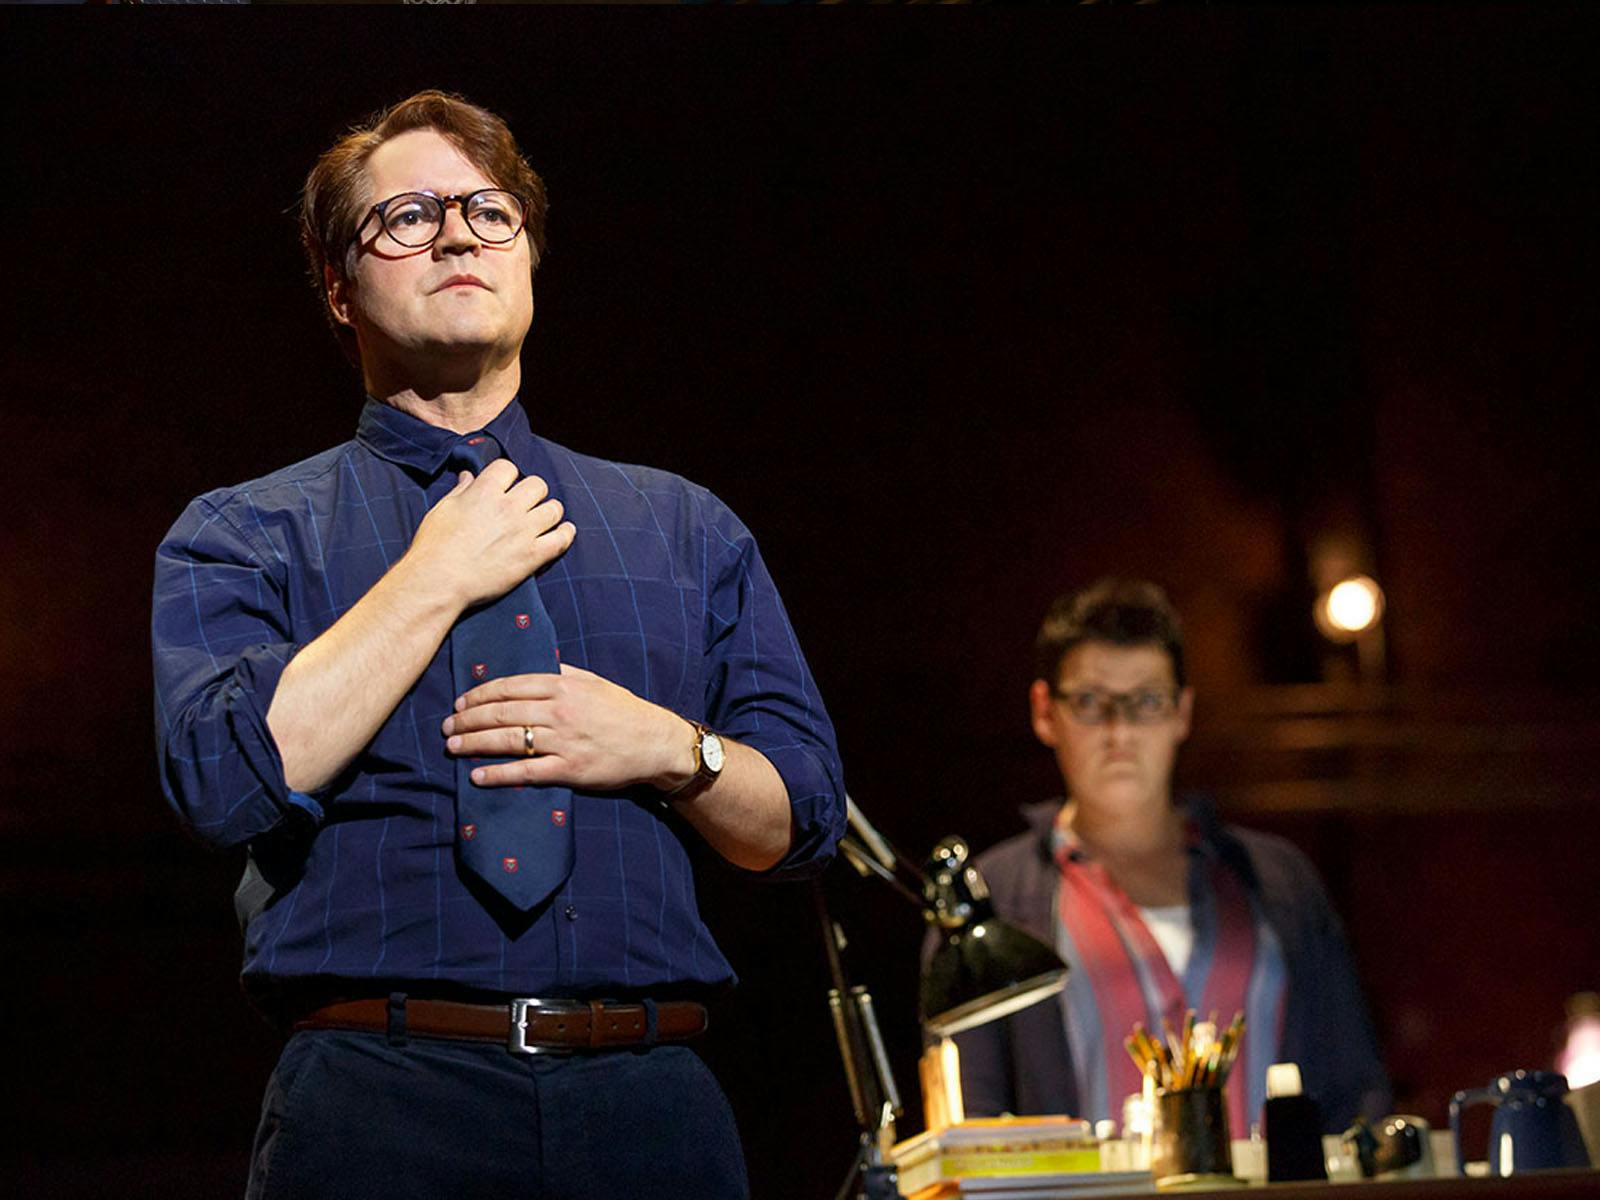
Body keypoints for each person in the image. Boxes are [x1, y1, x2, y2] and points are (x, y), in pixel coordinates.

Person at [152, 90, 845, 1200]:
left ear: (527, 255)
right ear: (338, 286)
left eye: (488, 212)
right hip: (379, 1103)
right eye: (408, 217)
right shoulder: (246, 531)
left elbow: (802, 821)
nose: (459, 237)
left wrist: (671, 748)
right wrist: (432, 577)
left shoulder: (683, 526)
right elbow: (222, 781)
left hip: (649, 1103)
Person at [948, 579, 1388, 1135]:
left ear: (1182, 711)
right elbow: (970, 1127)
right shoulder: (992, 900)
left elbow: (1355, 1092)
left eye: (1147, 702)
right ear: (1045, 711)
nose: (1120, 732)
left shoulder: (1279, 882)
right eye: (1090, 703)